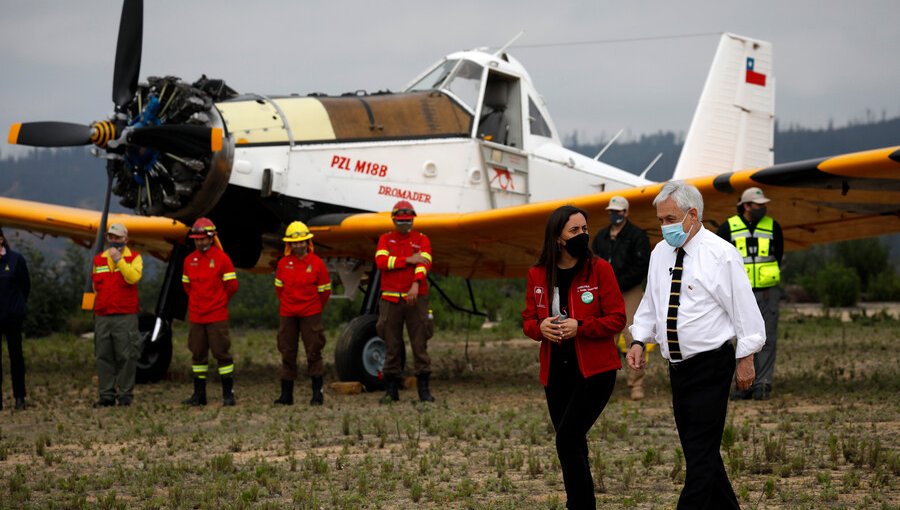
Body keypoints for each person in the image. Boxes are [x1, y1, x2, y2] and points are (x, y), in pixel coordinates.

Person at [627, 181, 765, 509]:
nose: (664, 227)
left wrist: (746, 358)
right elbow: (650, 304)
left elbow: (745, 310)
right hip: (678, 369)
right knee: (698, 451)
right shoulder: (660, 253)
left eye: (670, 218)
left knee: (700, 458)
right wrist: (637, 340)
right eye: (660, 221)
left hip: (711, 367)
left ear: (692, 214)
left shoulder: (721, 254)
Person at [522, 205, 626, 509]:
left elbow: (617, 319)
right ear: (557, 237)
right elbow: (528, 321)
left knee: (566, 440)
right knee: (573, 444)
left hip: (595, 372)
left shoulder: (600, 269)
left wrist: (580, 327)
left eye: (585, 229)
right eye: (574, 230)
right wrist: (539, 328)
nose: (582, 235)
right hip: (555, 373)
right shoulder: (537, 274)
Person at [716, 187, 783, 401]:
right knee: (738, 339)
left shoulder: (773, 226)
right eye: (758, 205)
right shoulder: (728, 227)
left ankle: (763, 383)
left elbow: (778, 255)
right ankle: (743, 385)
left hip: (766, 292)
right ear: (746, 206)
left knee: (767, 338)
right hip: (738, 293)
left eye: (764, 205)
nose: (763, 208)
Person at [591, 195, 651, 400]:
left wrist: (619, 283)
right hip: (605, 292)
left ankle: (636, 383)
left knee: (633, 334)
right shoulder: (601, 237)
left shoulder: (637, 236)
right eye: (611, 212)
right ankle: (600, 382)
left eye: (617, 212)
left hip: (629, 290)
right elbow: (593, 261)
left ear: (626, 212)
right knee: (605, 336)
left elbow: (641, 266)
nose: (613, 215)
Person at [375, 200, 435, 403]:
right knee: (391, 345)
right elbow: (381, 262)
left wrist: (416, 284)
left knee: (420, 344)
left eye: (408, 220)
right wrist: (408, 260)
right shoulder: (385, 239)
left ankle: (424, 391)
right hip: (391, 299)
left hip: (416, 298)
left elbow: (424, 263)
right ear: (393, 220)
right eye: (400, 220)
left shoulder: (422, 239)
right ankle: (391, 391)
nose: (404, 224)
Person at [181, 218, 239, 406]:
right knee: (198, 355)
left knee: (222, 353)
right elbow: (187, 286)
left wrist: (218, 302)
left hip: (216, 316)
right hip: (197, 317)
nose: (199, 242)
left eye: (203, 239)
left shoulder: (222, 259)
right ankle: (199, 395)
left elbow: (232, 286)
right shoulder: (189, 261)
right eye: (196, 239)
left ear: (211, 238)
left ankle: (228, 394)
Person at [273, 221, 332, 406]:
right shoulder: (283, 263)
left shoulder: (317, 263)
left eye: (302, 241)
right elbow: (279, 289)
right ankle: (286, 396)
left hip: (311, 313)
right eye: (295, 242)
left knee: (314, 351)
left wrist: (313, 308)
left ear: (308, 243)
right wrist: (289, 305)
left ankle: (317, 394)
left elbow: (325, 292)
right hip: (288, 313)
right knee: (287, 351)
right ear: (289, 244)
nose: (299, 245)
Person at [91, 223, 142, 407]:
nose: (114, 240)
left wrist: (120, 260)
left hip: (125, 315)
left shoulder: (134, 258)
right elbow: (96, 287)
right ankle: (106, 395)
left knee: (126, 355)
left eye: (118, 237)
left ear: (125, 239)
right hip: (103, 315)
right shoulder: (98, 260)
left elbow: (133, 278)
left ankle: (126, 394)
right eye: (111, 237)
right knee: (103, 355)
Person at [0, 227, 30, 411]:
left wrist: (17, 306)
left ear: (1, 239)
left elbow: (25, 285)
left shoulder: (16, 259)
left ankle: (20, 397)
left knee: (16, 358)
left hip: (12, 317)